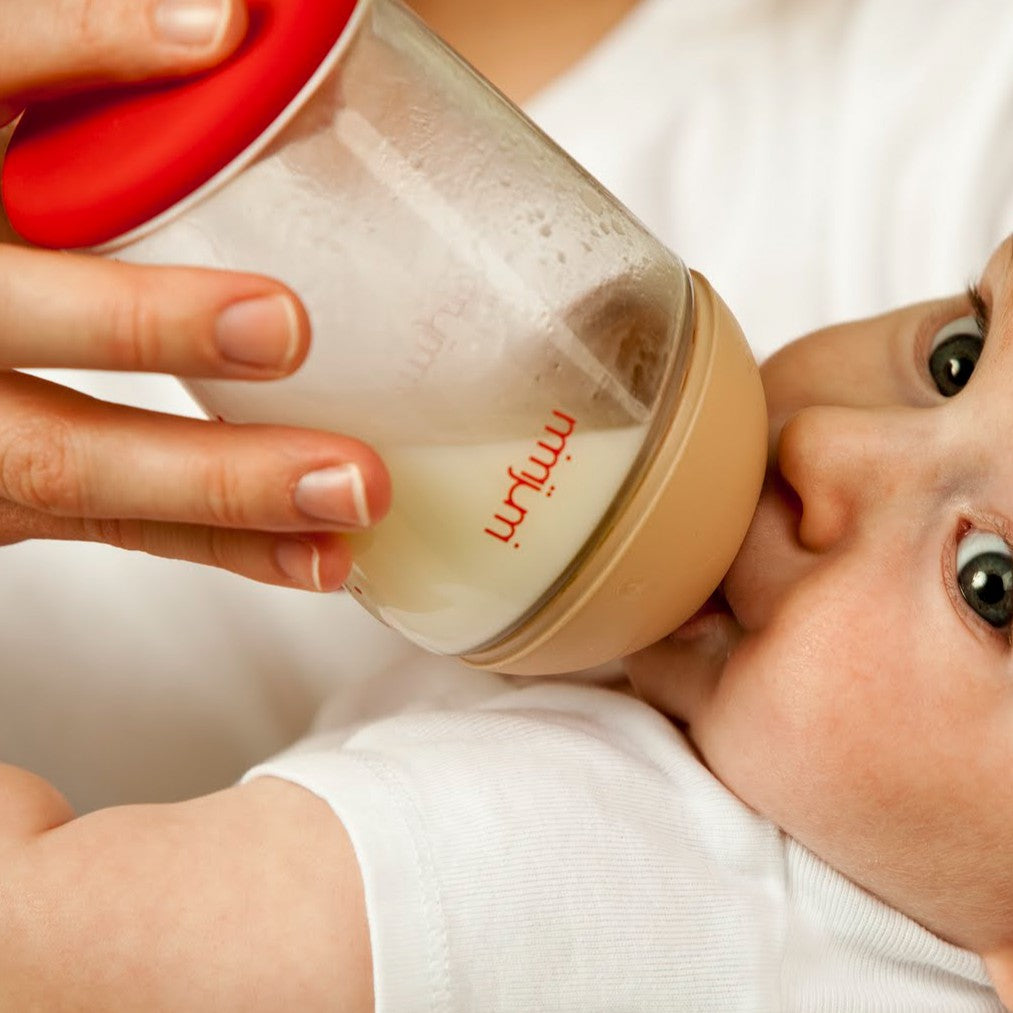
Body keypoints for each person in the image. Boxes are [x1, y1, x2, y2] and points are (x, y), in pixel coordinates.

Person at [3, 234, 1013, 1008]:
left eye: (988, 581)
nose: (826, 444)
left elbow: (32, 936)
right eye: (957, 356)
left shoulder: (573, 860)